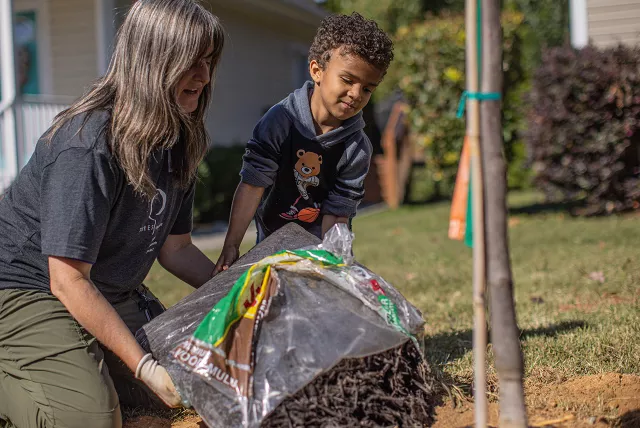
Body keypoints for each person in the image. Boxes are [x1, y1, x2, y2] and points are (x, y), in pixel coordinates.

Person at [0, 1, 224, 427]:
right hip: (23, 289)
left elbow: (176, 250)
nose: (204, 76)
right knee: (93, 420)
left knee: (197, 383)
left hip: (99, 288)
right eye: (191, 61)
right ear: (151, 60)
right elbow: (65, 278)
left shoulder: (180, 138)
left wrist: (240, 294)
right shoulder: (89, 143)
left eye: (209, 61)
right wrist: (143, 366)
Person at [215, 12, 394, 272]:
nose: (356, 94)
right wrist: (232, 244)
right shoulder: (280, 121)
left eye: (367, 88)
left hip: (320, 246)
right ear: (317, 70)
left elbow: (337, 214)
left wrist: (332, 264)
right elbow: (253, 185)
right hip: (271, 238)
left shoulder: (357, 148)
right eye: (347, 80)